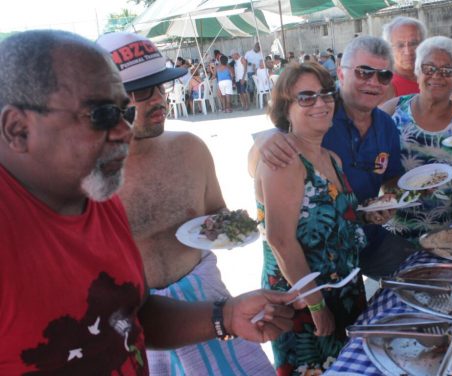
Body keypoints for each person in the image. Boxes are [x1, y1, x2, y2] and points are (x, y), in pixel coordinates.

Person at [0, 29, 296, 374]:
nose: (125, 132)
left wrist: (225, 316)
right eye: (102, 116)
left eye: (126, 112)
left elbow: (129, 312)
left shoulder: (98, 189)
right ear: (18, 129)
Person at [96, 32, 277, 375]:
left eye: (161, 87)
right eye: (143, 91)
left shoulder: (190, 149)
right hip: (140, 324)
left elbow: (217, 214)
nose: (160, 99)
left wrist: (230, 229)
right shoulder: (87, 176)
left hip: (211, 306)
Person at [250, 36, 414, 279]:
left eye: (383, 75)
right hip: (320, 253)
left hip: (367, 235)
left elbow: (390, 177)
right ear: (341, 73)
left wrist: (389, 199)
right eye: (364, 72)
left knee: (420, 274)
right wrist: (264, 143)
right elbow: (260, 162)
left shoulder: (385, 125)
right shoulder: (320, 113)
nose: (373, 82)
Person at [256, 61, 366, 375]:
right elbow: (280, 240)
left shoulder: (331, 157)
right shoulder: (285, 158)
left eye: (326, 94)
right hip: (304, 302)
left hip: (345, 290)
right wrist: (316, 305)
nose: (320, 103)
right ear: (285, 109)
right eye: (306, 97)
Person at [380, 36, 452, 243]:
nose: (437, 76)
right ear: (417, 71)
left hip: (447, 230)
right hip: (394, 231)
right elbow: (372, 168)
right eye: (429, 68)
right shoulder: (392, 111)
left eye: (447, 70)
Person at [381, 16, 428, 101]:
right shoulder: (386, 87)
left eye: (413, 43)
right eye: (400, 45)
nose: (408, 52)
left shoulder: (434, 76)